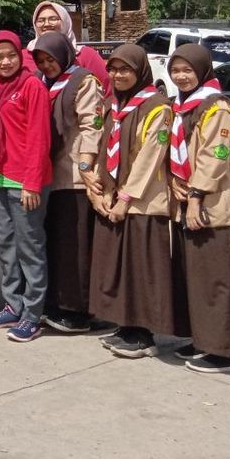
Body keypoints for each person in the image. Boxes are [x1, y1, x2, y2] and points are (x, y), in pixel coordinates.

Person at [89, 45, 179, 359]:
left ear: (140, 70)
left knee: (143, 267)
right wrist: (99, 185)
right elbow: (103, 145)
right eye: (113, 69)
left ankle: (145, 334)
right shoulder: (115, 104)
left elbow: (150, 158)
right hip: (114, 196)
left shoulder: (158, 107)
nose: (117, 75)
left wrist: (126, 198)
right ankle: (126, 325)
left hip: (142, 202)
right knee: (120, 265)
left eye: (125, 69)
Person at [167, 44, 230, 373]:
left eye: (188, 70)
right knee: (196, 278)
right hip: (187, 203)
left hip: (211, 206)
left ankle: (228, 352)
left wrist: (196, 196)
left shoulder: (218, 108)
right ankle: (204, 339)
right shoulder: (183, 106)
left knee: (218, 279)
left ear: (203, 70)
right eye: (176, 70)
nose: (182, 76)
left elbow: (215, 156)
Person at [0, 31, 53, 342]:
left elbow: (39, 137)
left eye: (10, 55)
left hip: (25, 181)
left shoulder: (31, 85)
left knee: (30, 247)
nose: (5, 61)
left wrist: (32, 183)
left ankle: (33, 314)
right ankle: (13, 303)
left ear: (20, 56)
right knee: (6, 245)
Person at [31, 32, 104, 334]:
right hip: (47, 174)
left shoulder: (83, 81)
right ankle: (55, 302)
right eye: (42, 60)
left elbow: (92, 124)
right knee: (55, 244)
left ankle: (77, 310)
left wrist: (86, 164)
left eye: (52, 59)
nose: (48, 65)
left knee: (74, 245)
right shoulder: (42, 82)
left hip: (73, 175)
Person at [23, 1, 110, 90]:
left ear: (65, 21)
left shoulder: (86, 55)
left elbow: (107, 88)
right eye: (40, 20)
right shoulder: (23, 57)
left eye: (53, 19)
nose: (47, 24)